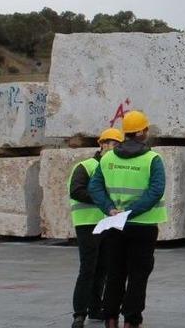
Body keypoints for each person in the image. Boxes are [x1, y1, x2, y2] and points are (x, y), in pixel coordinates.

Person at [89, 111, 167, 328]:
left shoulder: (108, 158)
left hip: (114, 225)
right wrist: (131, 212)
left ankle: (110, 319)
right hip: (143, 227)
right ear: (142, 132)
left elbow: (94, 186)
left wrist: (110, 208)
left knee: (115, 273)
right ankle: (131, 321)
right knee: (138, 275)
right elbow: (156, 190)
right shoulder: (152, 159)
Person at [69, 128, 124, 328]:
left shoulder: (114, 168)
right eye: (112, 144)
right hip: (88, 223)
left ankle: (95, 308)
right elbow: (76, 190)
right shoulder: (86, 166)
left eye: (118, 145)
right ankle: (79, 313)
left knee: (103, 268)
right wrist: (103, 201)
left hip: (107, 224)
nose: (114, 148)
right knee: (88, 269)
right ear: (102, 144)